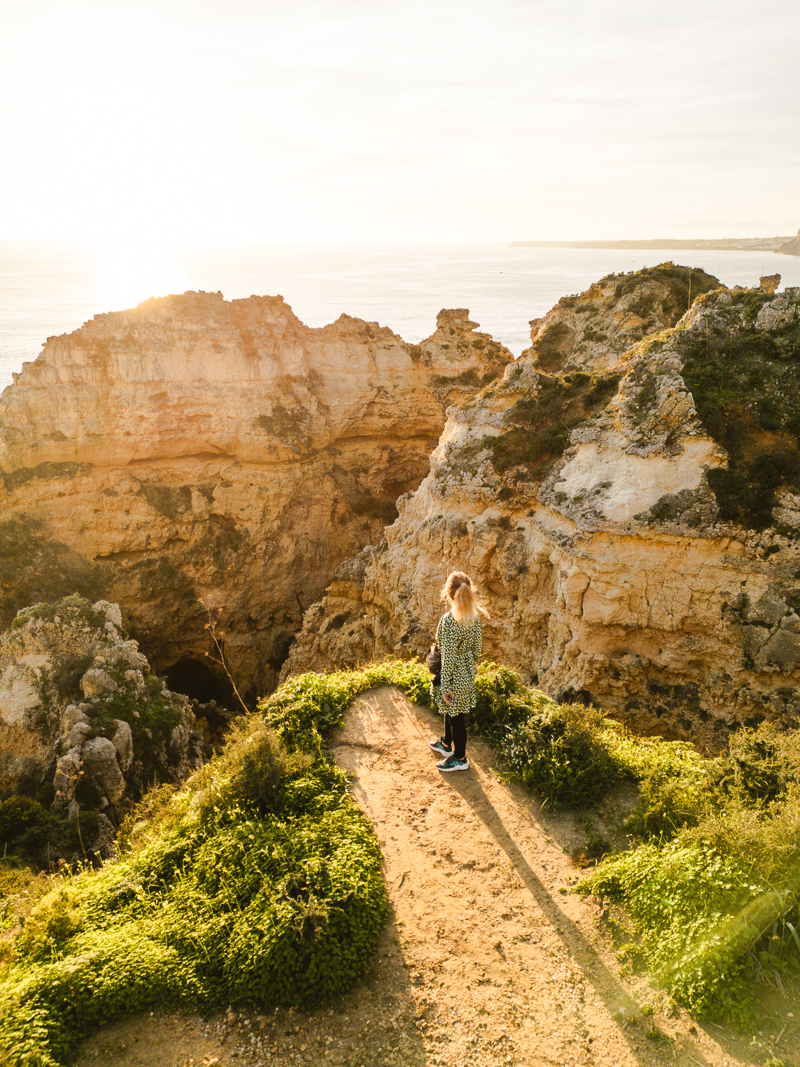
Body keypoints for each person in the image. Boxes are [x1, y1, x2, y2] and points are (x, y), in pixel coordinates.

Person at [429, 571, 487, 772]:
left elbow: (448, 657)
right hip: (467, 673)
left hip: (452, 675)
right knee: (452, 711)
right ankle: (446, 744)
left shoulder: (448, 621)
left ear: (448, 594)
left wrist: (445, 686)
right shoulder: (474, 616)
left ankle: (460, 758)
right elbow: (477, 648)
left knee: (457, 717)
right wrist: (469, 665)